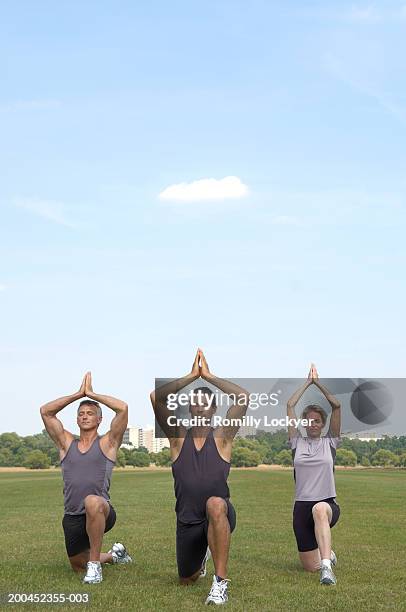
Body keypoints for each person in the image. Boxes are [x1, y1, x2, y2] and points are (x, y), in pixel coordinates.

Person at [150, 349, 249, 605]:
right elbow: (156, 398)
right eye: (194, 401)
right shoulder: (177, 437)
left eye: (205, 401)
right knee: (187, 580)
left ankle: (220, 583)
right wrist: (191, 376)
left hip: (220, 512)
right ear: (189, 407)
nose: (199, 405)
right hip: (187, 519)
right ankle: (204, 551)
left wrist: (210, 377)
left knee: (215, 504)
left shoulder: (223, 436)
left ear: (214, 408)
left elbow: (242, 397)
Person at [40, 372, 132, 584]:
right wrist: (77, 394)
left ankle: (95, 567)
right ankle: (113, 555)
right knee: (77, 565)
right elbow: (46, 412)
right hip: (72, 516)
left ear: (100, 419)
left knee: (92, 501)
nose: (84, 416)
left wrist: (92, 394)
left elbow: (122, 408)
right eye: (81, 413)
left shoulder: (108, 443)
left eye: (90, 413)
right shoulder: (66, 444)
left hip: (101, 510)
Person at [287, 363, 341, 585]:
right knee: (310, 567)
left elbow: (336, 407)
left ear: (323, 423)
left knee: (319, 509)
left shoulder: (331, 442)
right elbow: (289, 404)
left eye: (317, 420)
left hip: (326, 504)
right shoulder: (295, 443)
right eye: (308, 420)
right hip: (301, 507)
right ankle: (327, 552)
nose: (313, 424)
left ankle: (327, 568)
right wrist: (306, 383)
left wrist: (318, 383)